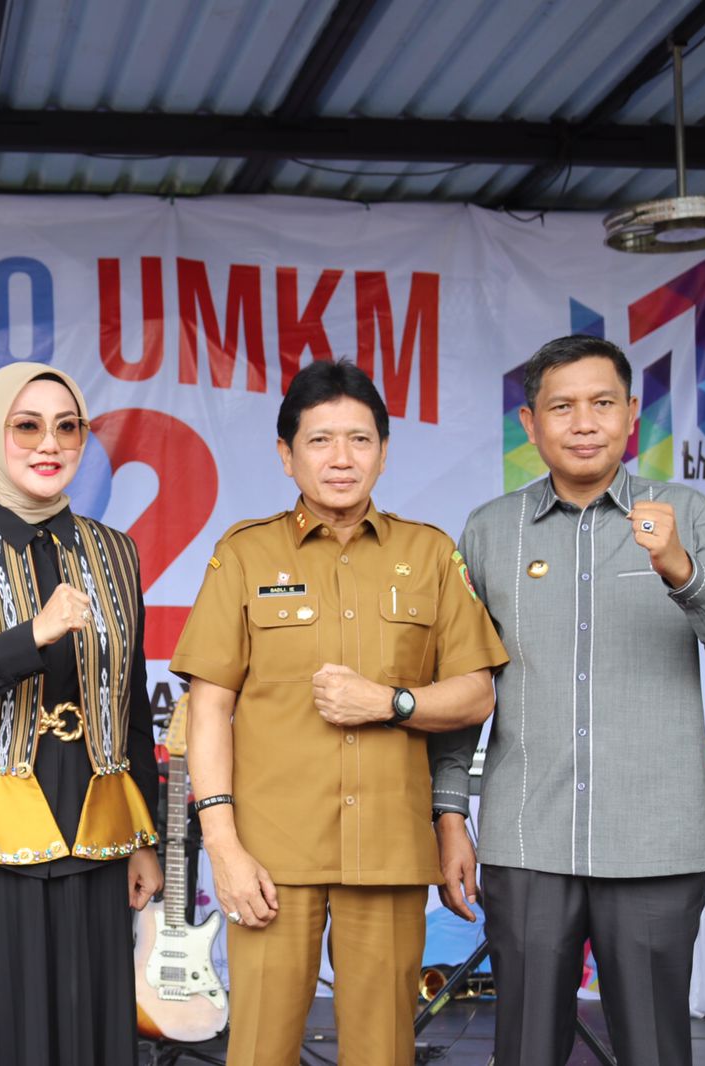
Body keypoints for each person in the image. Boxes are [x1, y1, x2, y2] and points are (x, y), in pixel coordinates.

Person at [430, 336, 705, 1066]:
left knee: (654, 1048)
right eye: (562, 406)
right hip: (528, 842)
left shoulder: (688, 516)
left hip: (654, 843)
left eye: (602, 403)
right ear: (530, 424)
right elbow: (464, 687)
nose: (584, 422)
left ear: (631, 414)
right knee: (525, 1050)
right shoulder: (489, 531)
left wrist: (680, 570)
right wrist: (450, 814)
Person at [171, 359, 508, 1066]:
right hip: (271, 855)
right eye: (319, 440)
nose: (342, 458)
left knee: (383, 1052)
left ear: (384, 451)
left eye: (360, 439)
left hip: (388, 849)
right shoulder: (245, 554)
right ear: (286, 454)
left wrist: (390, 702)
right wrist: (224, 847)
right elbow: (208, 710)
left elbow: (476, 693)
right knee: (260, 1050)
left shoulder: (430, 553)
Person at [0, 363, 163, 1066]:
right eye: (27, 426)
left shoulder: (115, 552)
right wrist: (31, 638)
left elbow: (131, 704)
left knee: (82, 1028)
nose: (50, 443)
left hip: (90, 832)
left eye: (67, 427)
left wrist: (146, 839)